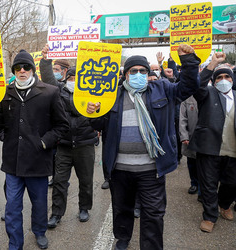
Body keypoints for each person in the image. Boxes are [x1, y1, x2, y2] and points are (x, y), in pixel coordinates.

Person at [87, 44, 200, 250]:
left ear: (148, 74)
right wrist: (91, 112)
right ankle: (122, 238)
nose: (138, 74)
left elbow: (189, 87)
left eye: (142, 71)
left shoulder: (163, 89)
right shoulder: (111, 95)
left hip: (151, 169)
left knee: (153, 214)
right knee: (122, 209)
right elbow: (98, 125)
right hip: (119, 168)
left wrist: (189, 61)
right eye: (133, 71)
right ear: (125, 75)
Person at [0, 49, 69, 250]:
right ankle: (15, 243)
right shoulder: (5, 92)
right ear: (13, 70)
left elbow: (62, 126)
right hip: (13, 163)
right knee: (12, 207)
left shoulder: (49, 92)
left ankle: (39, 231)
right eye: (18, 67)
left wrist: (44, 142)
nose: (22, 71)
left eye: (26, 67)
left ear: (32, 69)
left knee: (38, 204)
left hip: (38, 160)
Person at [188, 52, 236, 233]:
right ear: (214, 81)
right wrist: (212, 65)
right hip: (209, 150)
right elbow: (196, 86)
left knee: (231, 183)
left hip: (233, 151)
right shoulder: (207, 93)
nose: (223, 80)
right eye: (220, 77)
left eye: (227, 77)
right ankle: (209, 216)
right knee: (208, 184)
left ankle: (224, 204)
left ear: (232, 80)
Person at [47, 66, 98, 228]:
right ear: (66, 79)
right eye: (71, 78)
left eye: (77, 79)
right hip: (64, 145)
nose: (73, 82)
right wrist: (46, 61)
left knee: (86, 180)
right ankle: (56, 213)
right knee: (60, 181)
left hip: (85, 144)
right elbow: (48, 79)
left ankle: (84, 208)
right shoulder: (59, 93)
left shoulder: (92, 94)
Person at [40, 44, 71, 186]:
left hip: (80, 139)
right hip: (59, 136)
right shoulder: (56, 87)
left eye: (56, 70)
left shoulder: (81, 87)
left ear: (65, 71)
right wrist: (46, 61)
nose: (54, 72)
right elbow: (48, 78)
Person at [179, 96, 201, 198]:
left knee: (205, 165)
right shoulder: (187, 100)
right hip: (190, 138)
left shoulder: (211, 95)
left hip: (206, 139)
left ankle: (203, 189)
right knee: (192, 162)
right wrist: (184, 136)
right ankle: (194, 183)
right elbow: (182, 119)